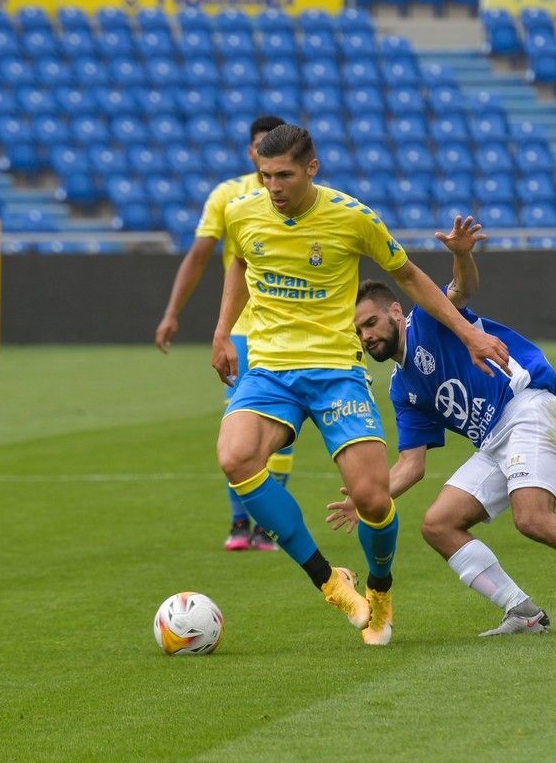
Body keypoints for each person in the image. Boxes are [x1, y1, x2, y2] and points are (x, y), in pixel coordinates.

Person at [211, 124, 511, 646]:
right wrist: (220, 333)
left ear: (312, 168)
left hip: (334, 371)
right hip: (270, 369)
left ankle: (380, 589)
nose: (273, 187)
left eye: (283, 175)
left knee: (372, 499)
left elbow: (411, 276)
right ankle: (330, 582)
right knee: (236, 459)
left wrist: (468, 336)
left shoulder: (352, 217)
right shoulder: (242, 213)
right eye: (265, 176)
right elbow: (239, 263)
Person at [332, 217, 556, 638]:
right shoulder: (403, 389)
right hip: (493, 439)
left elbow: (463, 289)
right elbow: (410, 466)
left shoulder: (429, 320)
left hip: (525, 406)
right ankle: (522, 611)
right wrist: (369, 499)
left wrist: (461, 255)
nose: (365, 337)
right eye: (358, 331)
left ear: (395, 312)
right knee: (438, 524)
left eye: (370, 323)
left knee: (531, 518)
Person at [154, 115, 290, 553]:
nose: (264, 149)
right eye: (259, 144)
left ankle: (265, 526)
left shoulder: (299, 198)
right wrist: (173, 311)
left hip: (290, 331)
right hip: (245, 330)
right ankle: (239, 523)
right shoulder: (229, 197)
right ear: (250, 151)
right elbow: (198, 256)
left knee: (282, 427)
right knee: (239, 426)